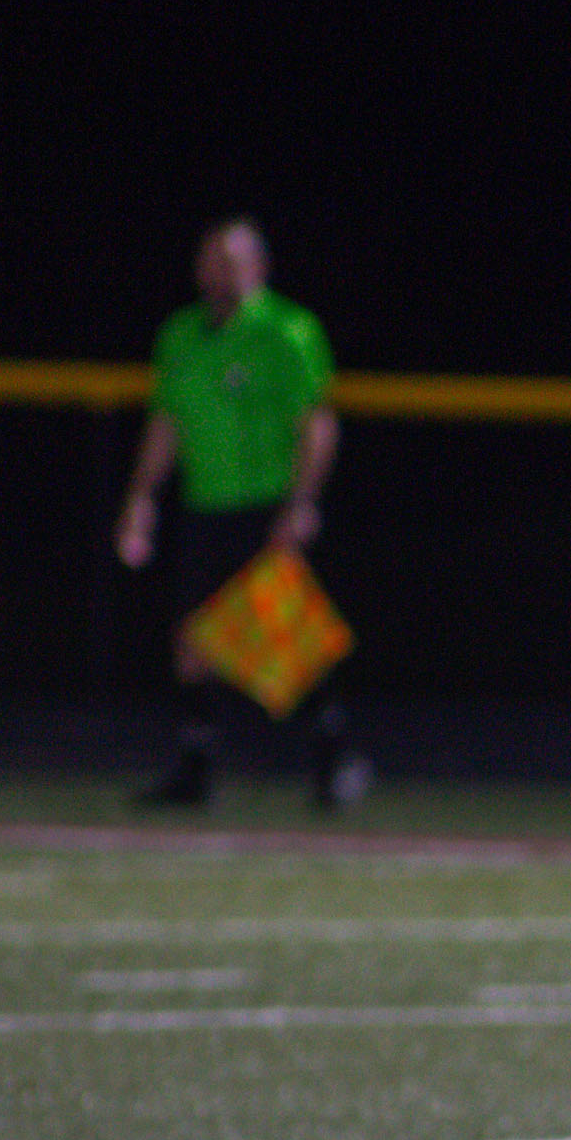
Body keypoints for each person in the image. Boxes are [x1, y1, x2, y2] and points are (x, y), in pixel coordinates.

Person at [114, 217, 370, 809]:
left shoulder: (287, 330)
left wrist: (301, 503)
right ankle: (196, 770)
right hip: (205, 504)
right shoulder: (180, 333)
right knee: (193, 639)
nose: (216, 273)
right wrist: (140, 499)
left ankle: (335, 758)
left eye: (228, 262)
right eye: (209, 261)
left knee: (285, 640)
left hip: (266, 504)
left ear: (258, 267)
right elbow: (166, 423)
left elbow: (318, 424)